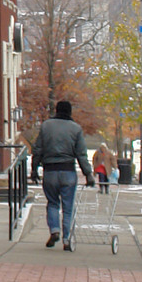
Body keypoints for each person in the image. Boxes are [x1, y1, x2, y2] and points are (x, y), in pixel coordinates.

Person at [31, 98, 94, 251]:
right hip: (68, 171)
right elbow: (81, 154)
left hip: (50, 171)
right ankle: (67, 239)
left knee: (52, 203)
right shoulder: (76, 129)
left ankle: (54, 230)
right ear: (70, 112)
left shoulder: (46, 126)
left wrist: (34, 169)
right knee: (68, 207)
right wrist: (88, 174)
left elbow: (37, 149)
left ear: (56, 111)